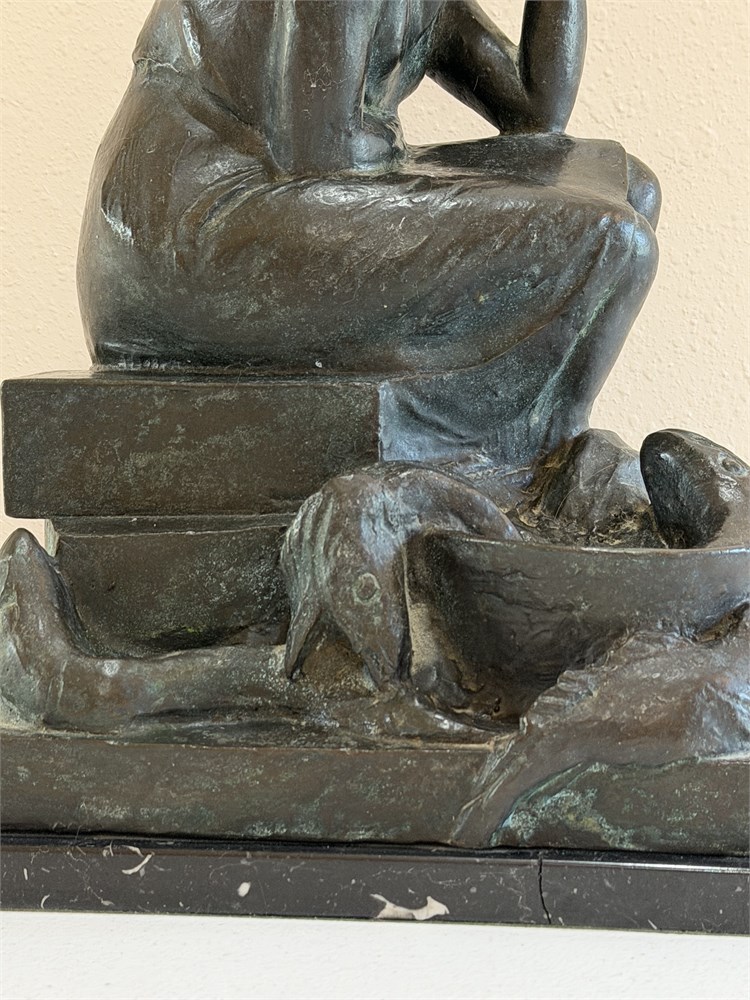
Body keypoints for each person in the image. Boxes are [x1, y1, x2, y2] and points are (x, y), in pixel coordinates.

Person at [78, 0, 660, 434]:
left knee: (628, 186)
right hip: (193, 232)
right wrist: (467, 190)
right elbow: (322, 154)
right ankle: (528, 449)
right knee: (612, 239)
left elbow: (536, 112)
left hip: (291, 195)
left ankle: (527, 447)